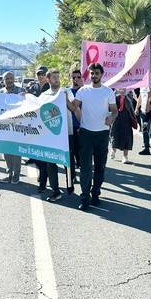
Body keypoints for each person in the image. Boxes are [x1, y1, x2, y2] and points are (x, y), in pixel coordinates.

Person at [73, 63, 118, 211]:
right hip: (86, 133)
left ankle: (95, 194)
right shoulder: (82, 90)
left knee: (100, 167)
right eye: (91, 73)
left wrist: (111, 117)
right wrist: (61, 98)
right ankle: (84, 198)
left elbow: (114, 111)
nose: (94, 76)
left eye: (96, 73)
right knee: (85, 168)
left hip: (102, 134)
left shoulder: (108, 92)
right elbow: (74, 106)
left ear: (101, 74)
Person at [36, 69, 81, 202]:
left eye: (58, 77)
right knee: (51, 162)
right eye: (54, 77)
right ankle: (55, 190)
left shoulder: (66, 92)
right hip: (51, 134)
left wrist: (65, 100)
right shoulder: (44, 95)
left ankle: (70, 183)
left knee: (68, 160)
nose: (57, 79)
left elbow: (74, 109)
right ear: (48, 79)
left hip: (67, 132)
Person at [0, 72, 24, 183]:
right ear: (3, 80)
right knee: (6, 150)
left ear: (14, 79)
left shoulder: (20, 91)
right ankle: (9, 173)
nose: (9, 80)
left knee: (16, 151)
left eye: (11, 78)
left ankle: (16, 175)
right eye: (7, 78)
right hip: (4, 126)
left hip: (17, 125)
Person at [67, 69, 84, 193]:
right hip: (69, 128)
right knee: (70, 153)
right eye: (73, 77)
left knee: (83, 155)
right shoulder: (66, 92)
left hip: (83, 128)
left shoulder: (86, 92)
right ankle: (72, 176)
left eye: (78, 77)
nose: (76, 79)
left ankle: (84, 177)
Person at [110, 89, 136, 164]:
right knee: (115, 134)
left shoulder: (130, 93)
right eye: (121, 88)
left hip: (127, 118)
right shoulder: (114, 94)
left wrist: (124, 96)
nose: (123, 89)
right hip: (116, 118)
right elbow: (111, 106)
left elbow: (131, 103)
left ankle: (125, 156)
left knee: (127, 137)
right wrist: (118, 96)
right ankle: (113, 150)